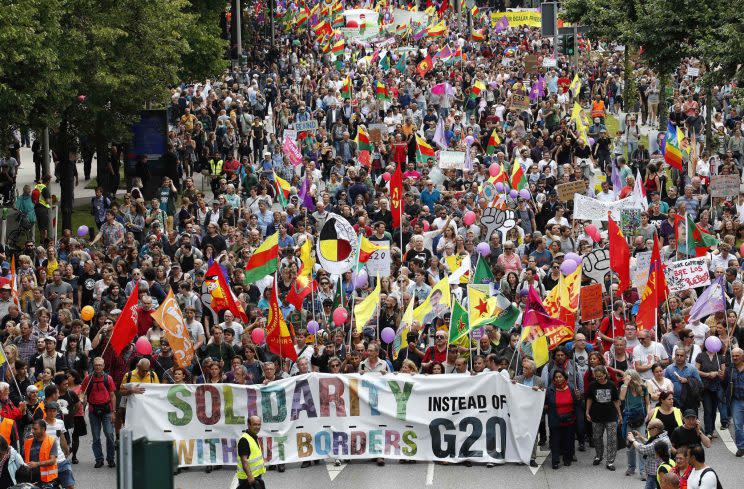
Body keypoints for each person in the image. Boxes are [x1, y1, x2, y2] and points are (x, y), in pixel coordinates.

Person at [79, 358, 116, 469]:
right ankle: (99, 459)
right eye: (96, 365)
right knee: (96, 437)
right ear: (93, 366)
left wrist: (114, 412)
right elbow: (82, 392)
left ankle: (110, 459)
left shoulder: (108, 378)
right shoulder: (88, 378)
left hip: (107, 410)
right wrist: (81, 398)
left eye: (100, 365)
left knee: (109, 434)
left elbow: (113, 395)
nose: (98, 367)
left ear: (104, 366)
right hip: (93, 411)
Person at [586, 365, 622, 471]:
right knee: (597, 437)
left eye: (601, 376)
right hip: (596, 416)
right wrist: (587, 412)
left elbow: (616, 401)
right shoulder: (592, 385)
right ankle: (599, 456)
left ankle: (610, 461)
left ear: (605, 374)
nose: (599, 378)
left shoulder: (611, 385)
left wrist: (619, 415)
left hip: (611, 415)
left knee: (611, 439)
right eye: (597, 377)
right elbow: (589, 399)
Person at [544, 369, 580, 470]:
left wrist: (578, 397)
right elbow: (545, 403)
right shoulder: (550, 390)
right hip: (555, 420)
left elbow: (577, 404)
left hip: (569, 420)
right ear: (553, 380)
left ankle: (567, 459)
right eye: (556, 377)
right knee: (555, 442)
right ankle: (555, 461)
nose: (558, 379)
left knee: (568, 441)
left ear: (565, 377)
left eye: (560, 377)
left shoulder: (572, 388)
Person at [626, 418, 672, 489]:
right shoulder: (661, 437)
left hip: (654, 473)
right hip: (654, 472)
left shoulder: (660, 441)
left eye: (649, 429)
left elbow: (644, 449)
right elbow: (650, 444)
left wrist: (633, 440)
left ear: (655, 429)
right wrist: (640, 437)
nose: (648, 431)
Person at [41, 402, 74, 489]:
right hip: (48, 463)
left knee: (70, 486)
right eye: (50, 411)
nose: (52, 413)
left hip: (61, 460)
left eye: (54, 411)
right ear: (46, 412)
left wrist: (66, 451)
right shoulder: (41, 425)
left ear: (57, 412)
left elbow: (62, 438)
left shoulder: (60, 423)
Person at [23, 420, 58, 487]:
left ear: (43, 429)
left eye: (35, 429)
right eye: (32, 429)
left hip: (47, 481)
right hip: (30, 480)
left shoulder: (51, 441)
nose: (32, 431)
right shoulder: (27, 442)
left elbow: (53, 461)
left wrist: (37, 464)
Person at [236, 415, 266, 489]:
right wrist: (250, 476)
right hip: (247, 477)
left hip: (256, 475)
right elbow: (244, 460)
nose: (257, 427)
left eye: (259, 424)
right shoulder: (244, 440)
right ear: (249, 425)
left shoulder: (253, 437)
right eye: (255, 424)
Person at [728, 347, 744, 456]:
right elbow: (725, 383)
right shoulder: (730, 368)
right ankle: (741, 447)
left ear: (742, 356)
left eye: (737, 355)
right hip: (736, 401)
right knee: (738, 425)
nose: (735, 357)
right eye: (733, 356)